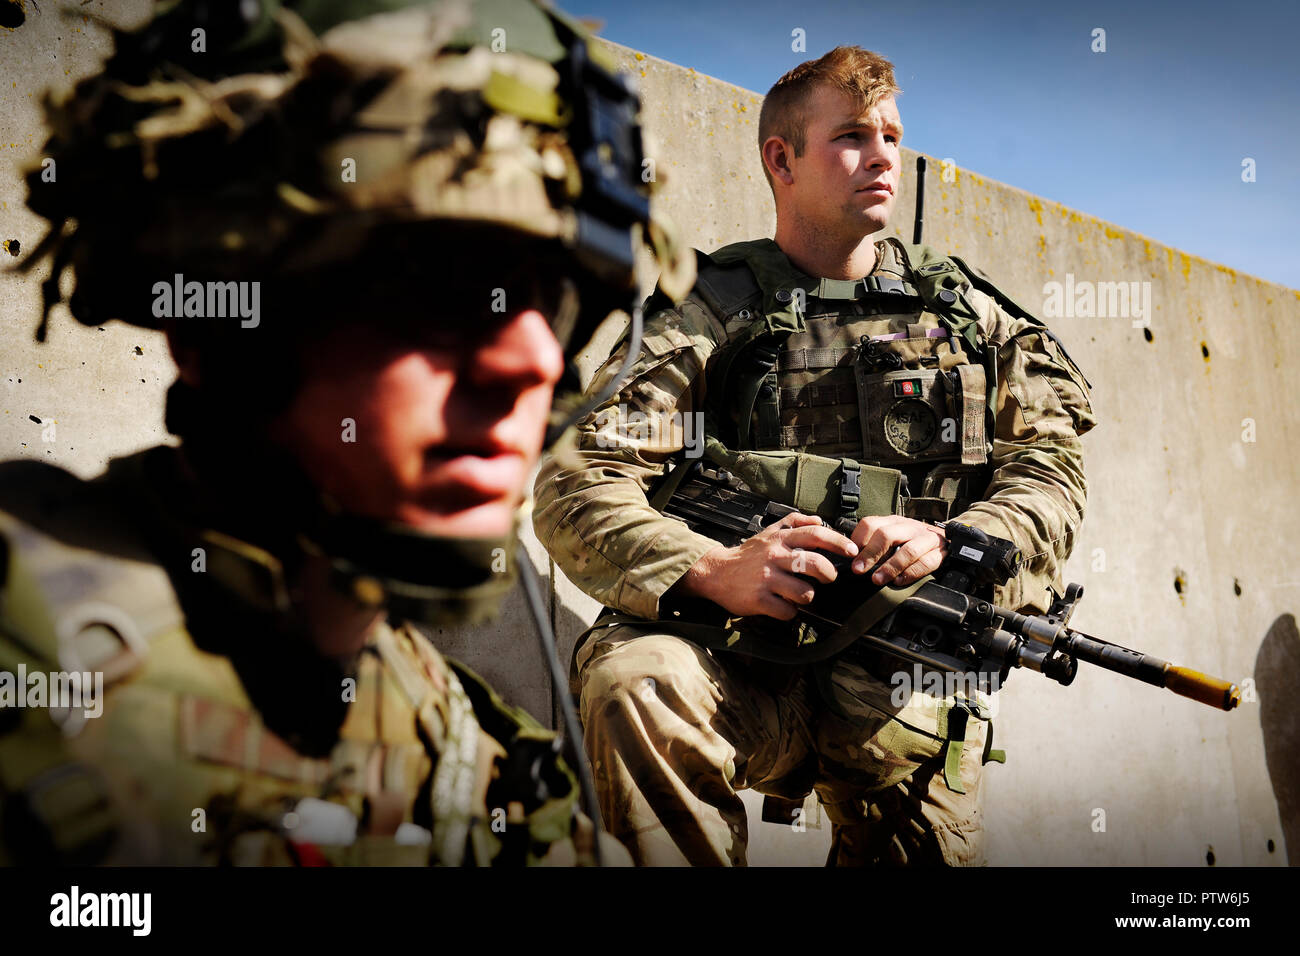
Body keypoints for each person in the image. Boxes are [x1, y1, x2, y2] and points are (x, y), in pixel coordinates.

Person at [0, 0, 690, 866]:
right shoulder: (29, 636)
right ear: (216, 325)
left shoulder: (471, 752)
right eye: (443, 282)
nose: (528, 361)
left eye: (551, 300)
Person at [533, 45, 1097, 866]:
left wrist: (947, 539)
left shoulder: (971, 320)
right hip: (735, 655)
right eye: (852, 137)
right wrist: (708, 567)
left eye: (894, 138)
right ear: (781, 158)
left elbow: (1051, 470)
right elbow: (579, 482)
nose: (882, 158)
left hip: (899, 671)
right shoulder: (709, 309)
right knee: (638, 682)